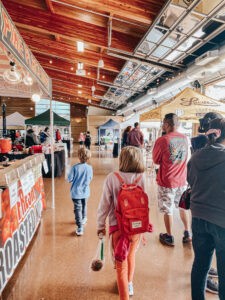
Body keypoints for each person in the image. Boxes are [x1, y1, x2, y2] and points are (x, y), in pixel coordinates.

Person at [97, 146, 146, 300]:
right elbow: (144, 204)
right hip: (135, 228)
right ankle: (129, 284)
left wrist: (100, 225)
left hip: (116, 227)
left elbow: (104, 205)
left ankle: (124, 295)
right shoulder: (141, 177)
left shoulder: (112, 177)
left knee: (120, 264)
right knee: (131, 256)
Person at [188, 117, 225, 300]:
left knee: (200, 266)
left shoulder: (195, 156)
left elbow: (191, 182)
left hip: (198, 218)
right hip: (222, 220)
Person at [153, 113, 191, 246]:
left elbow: (156, 161)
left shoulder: (162, 140)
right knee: (183, 207)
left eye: (163, 124)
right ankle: (187, 233)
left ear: (166, 124)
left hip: (167, 181)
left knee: (167, 209)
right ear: (178, 124)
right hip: (182, 180)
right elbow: (187, 158)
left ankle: (169, 236)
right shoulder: (185, 139)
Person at [67, 148, 93, 236]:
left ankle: (80, 227)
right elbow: (90, 179)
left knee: (77, 208)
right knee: (84, 205)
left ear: (79, 156)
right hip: (85, 191)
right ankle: (84, 217)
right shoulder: (89, 168)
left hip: (76, 192)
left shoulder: (74, 168)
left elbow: (69, 179)